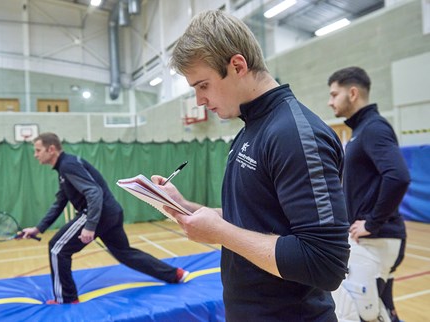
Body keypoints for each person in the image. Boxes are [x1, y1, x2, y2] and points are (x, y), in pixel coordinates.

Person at [150, 10, 350, 321]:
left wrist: (220, 233)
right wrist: (183, 206)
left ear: (238, 66)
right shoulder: (251, 129)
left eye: (202, 85)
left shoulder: (294, 135)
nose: (199, 100)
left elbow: (325, 263)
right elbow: (252, 219)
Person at [21, 132, 188, 304]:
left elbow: (94, 192)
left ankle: (67, 298)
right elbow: (60, 202)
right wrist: (38, 228)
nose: (35, 155)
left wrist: (90, 226)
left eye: (38, 150)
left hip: (97, 214)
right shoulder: (66, 166)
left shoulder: (68, 165)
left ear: (51, 149)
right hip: (111, 213)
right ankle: (175, 274)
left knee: (57, 248)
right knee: (125, 253)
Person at [327, 67, 410, 322]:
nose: (330, 102)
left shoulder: (373, 128)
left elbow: (398, 176)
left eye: (334, 94)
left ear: (352, 93)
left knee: (358, 315)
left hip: (376, 240)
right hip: (373, 240)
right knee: (381, 311)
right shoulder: (361, 130)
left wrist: (372, 223)